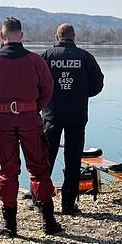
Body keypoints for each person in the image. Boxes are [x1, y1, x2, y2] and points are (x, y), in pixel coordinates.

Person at [0, 17, 62, 237]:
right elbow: (48, 90)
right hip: (30, 120)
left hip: (4, 121)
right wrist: (33, 107)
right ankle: (49, 221)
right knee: (39, 170)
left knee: (8, 172)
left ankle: (10, 224)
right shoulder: (36, 61)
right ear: (21, 35)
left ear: (1, 36)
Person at [41, 23, 105, 216]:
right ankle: (68, 204)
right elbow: (97, 85)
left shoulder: (45, 57)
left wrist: (46, 99)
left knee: (46, 159)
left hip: (51, 115)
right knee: (73, 160)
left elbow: (34, 84)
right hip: (77, 115)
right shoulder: (85, 57)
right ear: (74, 36)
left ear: (56, 37)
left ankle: (42, 201)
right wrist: (81, 93)